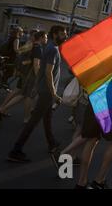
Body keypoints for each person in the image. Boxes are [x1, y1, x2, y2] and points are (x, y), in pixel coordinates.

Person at [7, 26, 67, 163]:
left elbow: (41, 71)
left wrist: (36, 87)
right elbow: (47, 73)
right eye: (63, 34)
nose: (66, 36)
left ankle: (52, 143)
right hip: (47, 92)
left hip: (44, 90)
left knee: (47, 118)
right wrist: (54, 93)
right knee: (33, 121)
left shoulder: (50, 47)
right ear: (55, 34)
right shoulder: (52, 49)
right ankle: (16, 150)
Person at [0, 31, 47, 123]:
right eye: (46, 37)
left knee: (21, 94)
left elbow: (23, 56)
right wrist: (38, 78)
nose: (46, 39)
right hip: (30, 75)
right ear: (41, 38)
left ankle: (2, 109)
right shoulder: (37, 48)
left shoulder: (31, 45)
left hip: (26, 73)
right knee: (27, 95)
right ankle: (26, 117)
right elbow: (36, 65)